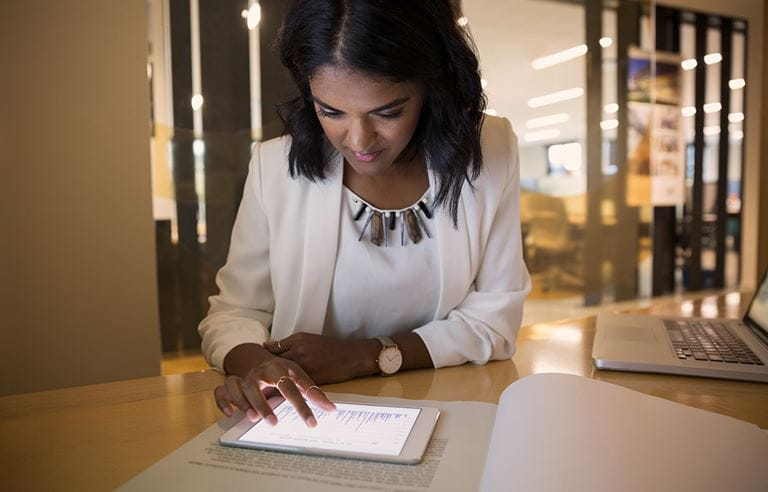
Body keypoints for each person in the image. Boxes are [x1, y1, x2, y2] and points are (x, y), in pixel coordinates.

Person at [200, 0, 530, 428]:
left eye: (388, 111)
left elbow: (495, 323)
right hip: (310, 417)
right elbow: (233, 314)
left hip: (449, 406)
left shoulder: (491, 147)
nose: (359, 140)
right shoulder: (274, 167)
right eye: (330, 111)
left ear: (433, 87)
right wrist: (255, 364)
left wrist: (370, 355)